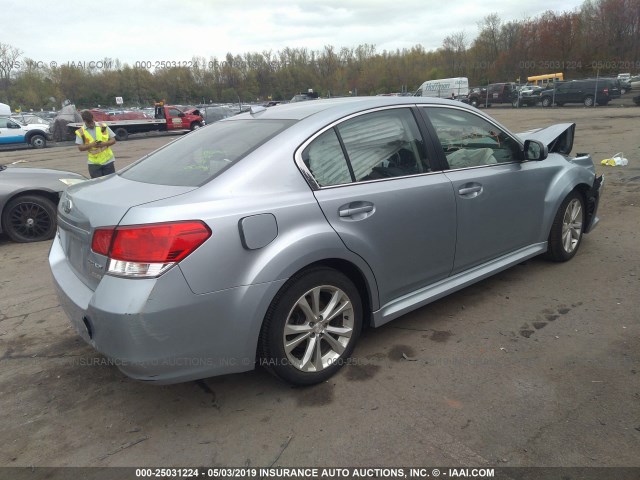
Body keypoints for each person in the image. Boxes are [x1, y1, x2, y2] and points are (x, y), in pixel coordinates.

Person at [75, 110, 117, 178]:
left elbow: (113, 140)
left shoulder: (103, 126)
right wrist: (91, 145)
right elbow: (80, 148)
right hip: (94, 163)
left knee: (110, 183)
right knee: (97, 185)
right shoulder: (80, 132)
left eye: (91, 122)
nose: (91, 124)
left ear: (93, 118)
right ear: (84, 121)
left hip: (108, 160)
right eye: (89, 123)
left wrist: (104, 144)